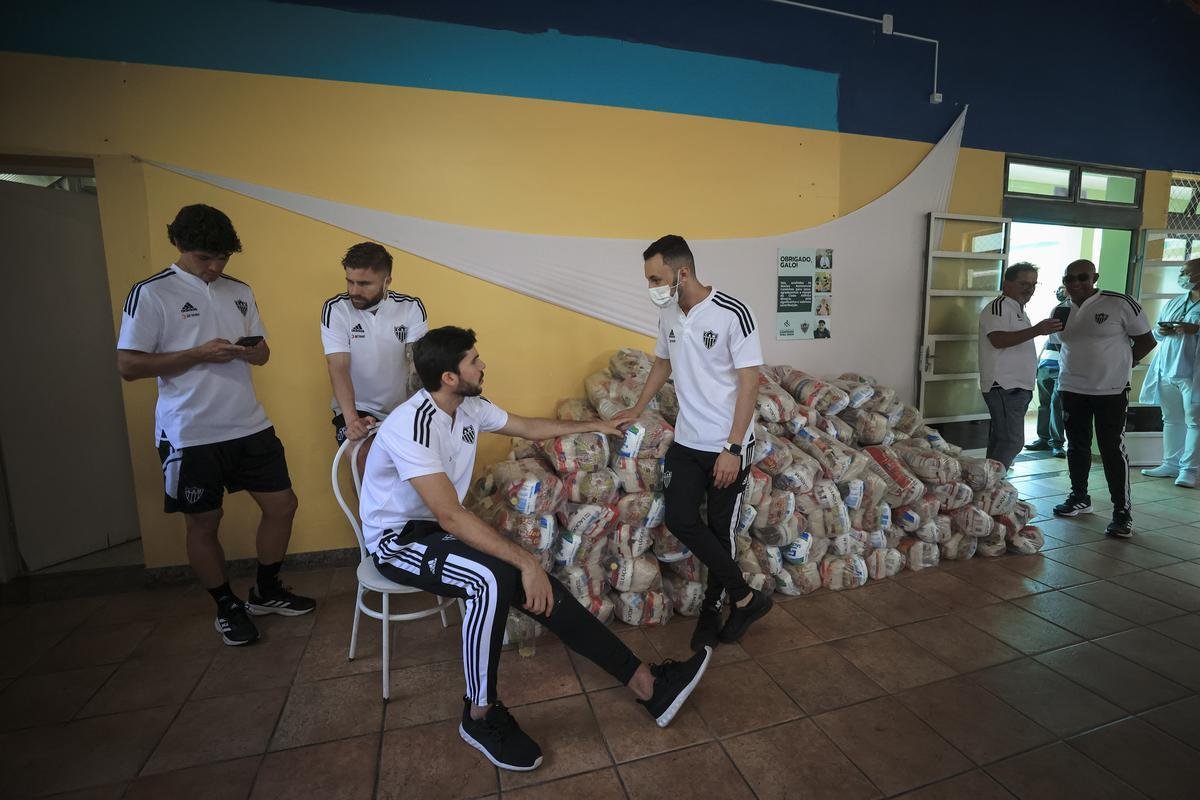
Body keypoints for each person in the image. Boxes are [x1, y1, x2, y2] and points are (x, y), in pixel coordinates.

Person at [359, 326, 711, 771]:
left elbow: (527, 426)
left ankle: (647, 685)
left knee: (518, 578)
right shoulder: (412, 425)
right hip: (399, 541)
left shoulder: (467, 407)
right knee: (490, 579)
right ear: (449, 377)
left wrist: (596, 424)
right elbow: (449, 515)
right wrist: (526, 561)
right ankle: (479, 715)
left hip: (438, 531)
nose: (482, 365)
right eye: (473, 361)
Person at [117, 205, 313, 646]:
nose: (214, 267)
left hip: (248, 423)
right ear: (179, 245)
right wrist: (197, 354)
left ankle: (266, 590)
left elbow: (263, 353)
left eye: (222, 258)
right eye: (205, 258)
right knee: (205, 523)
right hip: (190, 432)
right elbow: (128, 365)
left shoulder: (239, 290)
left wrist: (253, 353)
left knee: (283, 506)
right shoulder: (151, 293)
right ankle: (226, 606)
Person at [614, 234, 772, 653]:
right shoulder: (668, 313)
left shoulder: (733, 313)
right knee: (682, 519)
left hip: (727, 444)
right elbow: (662, 362)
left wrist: (733, 449)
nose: (652, 287)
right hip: (687, 440)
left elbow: (749, 382)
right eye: (649, 280)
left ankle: (713, 609)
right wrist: (637, 407)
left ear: (681, 273)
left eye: (656, 278)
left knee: (721, 530)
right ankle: (746, 598)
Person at [1053, 259, 1156, 538]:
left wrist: (1122, 366)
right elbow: (1062, 346)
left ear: (1094, 277)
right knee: (1076, 445)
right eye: (1069, 278)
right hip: (1072, 388)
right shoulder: (1061, 310)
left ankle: (1122, 512)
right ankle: (1079, 497)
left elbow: (1147, 341)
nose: (1075, 283)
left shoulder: (1120, 303)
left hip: (1110, 390)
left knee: (1111, 448)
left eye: (1082, 277)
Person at [321, 242, 427, 447]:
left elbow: (416, 368)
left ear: (387, 281)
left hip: (401, 409)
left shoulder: (410, 307)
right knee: (364, 460)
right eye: (350, 281)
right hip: (356, 408)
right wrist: (352, 420)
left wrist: (415, 414)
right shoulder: (336, 309)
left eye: (364, 284)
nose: (354, 290)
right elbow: (338, 367)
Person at [978, 263, 1063, 469]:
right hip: (1004, 385)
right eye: (1023, 283)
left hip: (1018, 386)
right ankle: (992, 483)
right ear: (1006, 283)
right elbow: (998, 340)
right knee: (1012, 441)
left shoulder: (1019, 310)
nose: (1029, 289)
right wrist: (1037, 330)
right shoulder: (999, 307)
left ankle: (990, 483)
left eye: (1033, 284)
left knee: (1002, 440)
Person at [1139, 257, 1200, 488]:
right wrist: (1162, 330)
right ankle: (1171, 464)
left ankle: (1189, 470)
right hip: (1167, 369)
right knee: (1172, 419)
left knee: (1195, 421)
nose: (1181, 276)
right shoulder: (1175, 302)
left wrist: (1196, 329)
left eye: (1186, 272)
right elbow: (1157, 333)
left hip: (1193, 373)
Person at [1025, 286, 1068, 457]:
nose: (1061, 292)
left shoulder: (1075, 313)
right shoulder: (1057, 310)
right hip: (1045, 364)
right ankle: (1043, 439)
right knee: (1044, 404)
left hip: (1061, 366)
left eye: (1064, 289)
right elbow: (1048, 341)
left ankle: (1057, 443)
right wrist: (1037, 363)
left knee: (1057, 404)